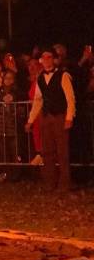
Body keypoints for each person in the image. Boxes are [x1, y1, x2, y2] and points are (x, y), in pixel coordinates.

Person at [25, 48, 75, 192]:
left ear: (53, 59)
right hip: (46, 117)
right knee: (47, 152)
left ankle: (64, 184)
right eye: (44, 57)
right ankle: (50, 182)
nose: (46, 60)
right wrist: (31, 120)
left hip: (60, 116)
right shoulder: (40, 77)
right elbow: (38, 100)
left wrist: (69, 117)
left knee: (62, 152)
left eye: (49, 57)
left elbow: (70, 98)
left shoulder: (63, 75)